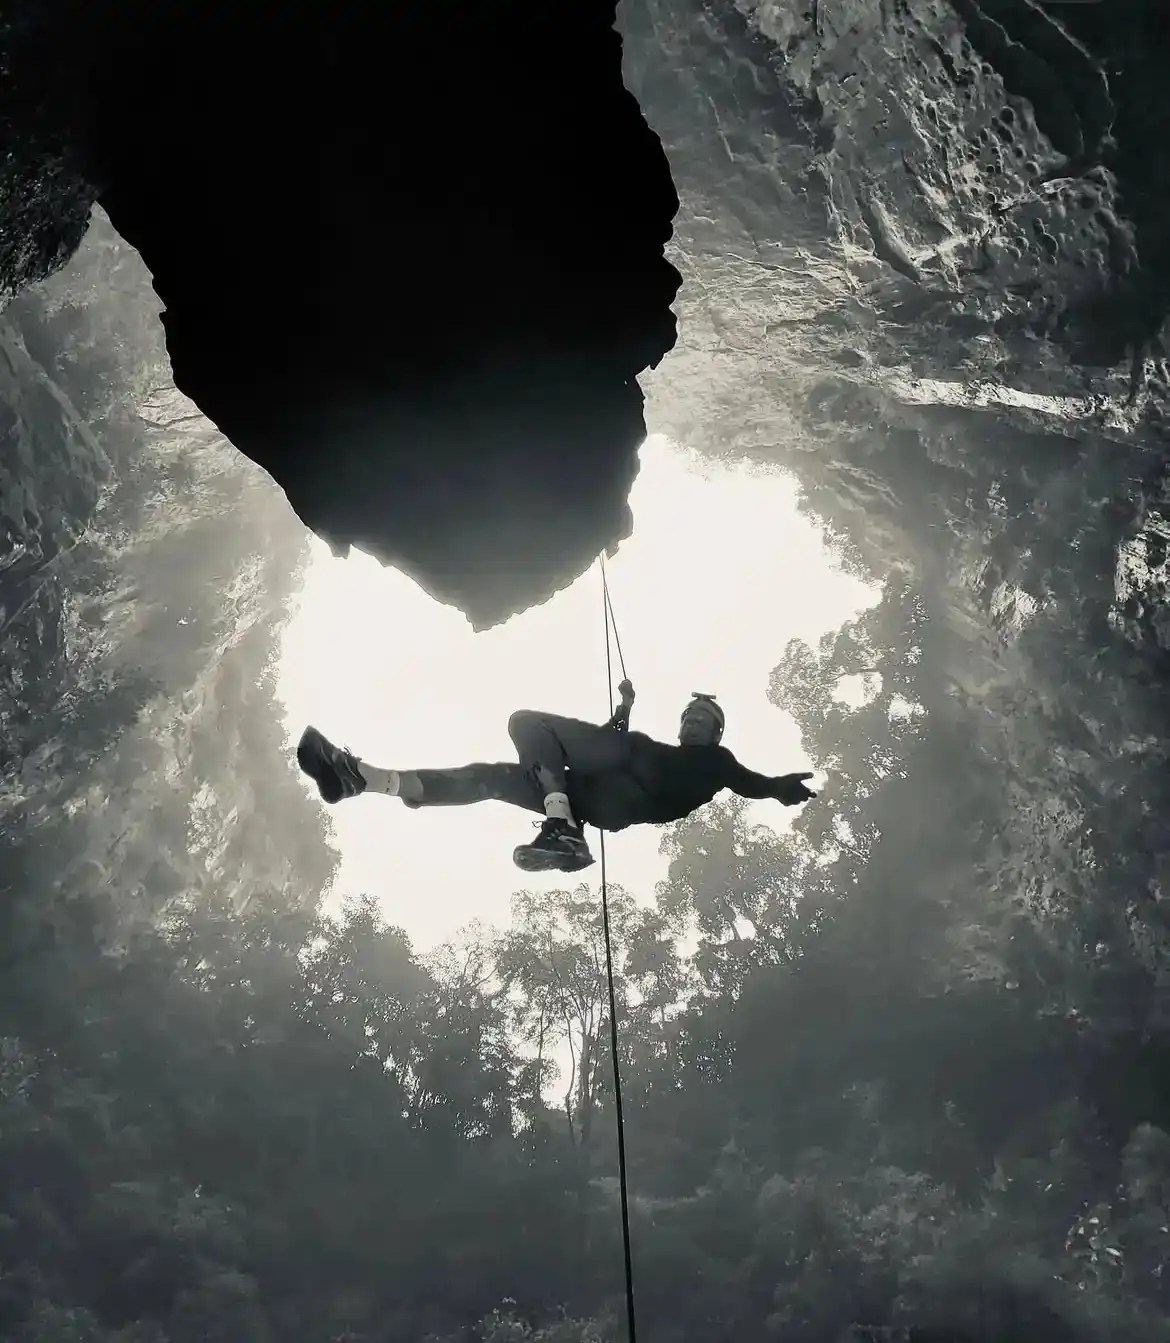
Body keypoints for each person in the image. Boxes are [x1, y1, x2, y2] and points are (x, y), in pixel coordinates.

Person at [296, 683, 817, 874]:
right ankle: (361, 778)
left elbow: (748, 781)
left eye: (701, 719)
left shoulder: (717, 762)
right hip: (604, 801)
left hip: (621, 779)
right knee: (491, 778)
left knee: (527, 723)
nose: (690, 721)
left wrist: (778, 788)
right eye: (688, 715)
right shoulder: (661, 749)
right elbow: (616, 750)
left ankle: (562, 824)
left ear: (716, 732)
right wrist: (624, 710)